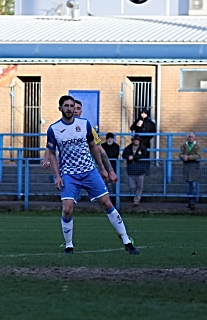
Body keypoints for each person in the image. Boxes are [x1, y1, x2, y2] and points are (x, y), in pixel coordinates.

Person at [46, 95, 138, 255]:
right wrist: (57, 175)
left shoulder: (85, 124)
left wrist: (103, 168)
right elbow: (51, 153)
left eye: (71, 106)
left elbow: (95, 147)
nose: (69, 109)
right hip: (69, 174)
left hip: (89, 171)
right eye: (66, 106)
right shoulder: (53, 129)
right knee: (67, 209)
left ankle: (126, 241)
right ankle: (69, 245)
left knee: (107, 204)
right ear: (60, 108)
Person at [42, 99, 118, 185]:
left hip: (87, 168)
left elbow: (99, 149)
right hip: (68, 170)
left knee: (103, 196)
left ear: (81, 112)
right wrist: (46, 160)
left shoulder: (86, 127)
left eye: (78, 109)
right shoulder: (58, 128)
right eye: (73, 108)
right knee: (68, 196)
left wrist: (109, 170)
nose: (75, 111)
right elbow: (50, 148)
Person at [122, 134, 150, 207]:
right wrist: (128, 157)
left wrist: (134, 157)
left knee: (140, 186)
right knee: (132, 186)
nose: (136, 141)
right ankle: (135, 196)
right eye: (135, 140)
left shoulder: (143, 148)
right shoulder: (128, 148)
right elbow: (123, 155)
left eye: (137, 140)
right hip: (131, 170)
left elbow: (145, 155)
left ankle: (136, 200)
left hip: (140, 170)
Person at [179, 132, 202, 209]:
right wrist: (183, 157)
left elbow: (198, 155)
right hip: (186, 168)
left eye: (192, 137)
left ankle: (193, 202)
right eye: (189, 136)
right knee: (188, 187)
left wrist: (189, 157)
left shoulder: (198, 146)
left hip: (194, 169)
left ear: (194, 137)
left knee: (194, 187)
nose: (190, 138)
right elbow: (180, 154)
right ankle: (189, 201)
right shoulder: (183, 145)